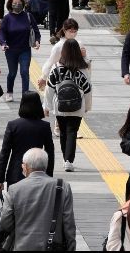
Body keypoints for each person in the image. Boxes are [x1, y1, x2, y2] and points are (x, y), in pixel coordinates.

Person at [0, 148, 76, 251]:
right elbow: (69, 224)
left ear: (25, 167)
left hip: (22, 247)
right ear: (46, 166)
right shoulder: (62, 187)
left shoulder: (14, 189)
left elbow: (5, 221)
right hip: (53, 247)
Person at [43, 39, 92, 172]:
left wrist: (47, 106)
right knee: (72, 131)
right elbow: (87, 89)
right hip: (77, 107)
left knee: (63, 132)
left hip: (60, 106)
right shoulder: (83, 69)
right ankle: (69, 160)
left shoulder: (56, 68)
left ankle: (66, 158)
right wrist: (87, 106)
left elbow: (49, 88)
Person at [0, 92, 54, 191]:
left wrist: (0, 179)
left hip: (15, 174)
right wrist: (49, 176)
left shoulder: (13, 125)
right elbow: (50, 153)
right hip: (38, 174)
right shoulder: (44, 126)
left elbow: (4, 154)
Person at [0, 0, 41, 102]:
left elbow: (36, 31)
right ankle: (9, 92)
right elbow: (2, 32)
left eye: (19, 3)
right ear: (10, 4)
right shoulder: (7, 18)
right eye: (14, 3)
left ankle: (25, 95)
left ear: (23, 4)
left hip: (25, 49)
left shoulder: (28, 16)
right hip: (11, 50)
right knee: (12, 73)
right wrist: (3, 43)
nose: (17, 5)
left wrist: (37, 41)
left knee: (24, 72)